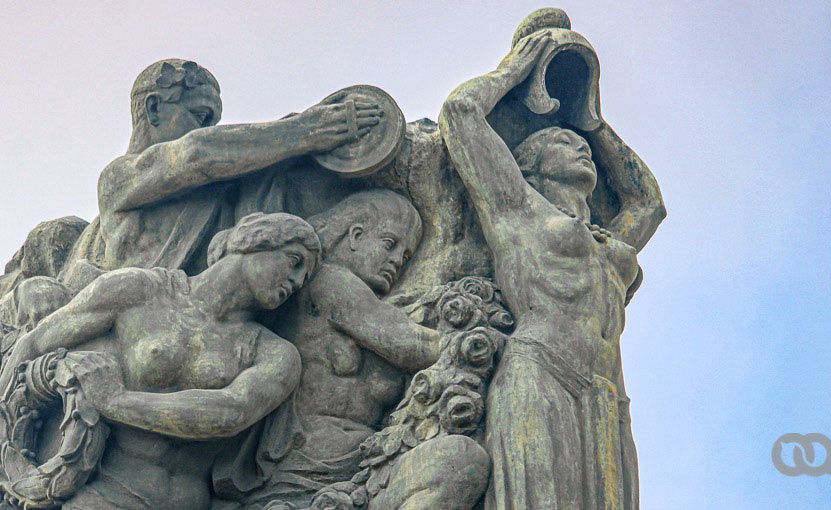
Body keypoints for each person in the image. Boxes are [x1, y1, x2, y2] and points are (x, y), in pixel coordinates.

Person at [440, 30, 666, 509]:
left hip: (607, 393)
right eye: (564, 142)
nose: (580, 148)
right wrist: (517, 68)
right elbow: (460, 114)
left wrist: (591, 120)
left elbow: (649, 202)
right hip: (541, 371)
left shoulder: (610, 241)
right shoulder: (519, 212)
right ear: (532, 166)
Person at [0, 213, 321, 509]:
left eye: (303, 279)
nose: (295, 282)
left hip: (184, 501)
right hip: (101, 495)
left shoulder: (273, 353)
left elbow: (231, 411)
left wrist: (118, 401)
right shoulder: (137, 289)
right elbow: (36, 342)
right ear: (254, 239)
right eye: (294, 262)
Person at [215, 190, 489, 510]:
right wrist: (483, 341)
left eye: (405, 256)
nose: (396, 261)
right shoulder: (333, 281)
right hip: (311, 463)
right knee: (460, 461)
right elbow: (408, 345)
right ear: (356, 236)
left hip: (353, 463)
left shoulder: (356, 295)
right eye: (390, 244)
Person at [90, 59, 380, 274]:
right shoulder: (118, 177)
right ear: (154, 108)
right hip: (146, 314)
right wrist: (306, 131)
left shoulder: (217, 181)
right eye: (200, 118)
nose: (205, 130)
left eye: (211, 125)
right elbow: (196, 153)